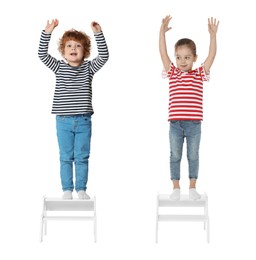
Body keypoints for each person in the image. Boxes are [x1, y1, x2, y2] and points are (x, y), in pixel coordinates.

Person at [38, 19, 109, 199]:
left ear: (84, 51)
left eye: (78, 46)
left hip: (84, 120)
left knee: (82, 157)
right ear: (63, 51)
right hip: (63, 120)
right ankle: (67, 189)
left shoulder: (89, 68)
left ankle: (81, 189)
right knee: (65, 157)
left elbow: (104, 57)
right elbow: (42, 55)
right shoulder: (59, 67)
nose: (73, 48)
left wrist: (98, 33)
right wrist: (47, 32)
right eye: (69, 45)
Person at [159, 15, 219, 200]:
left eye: (187, 57)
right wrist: (161, 33)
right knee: (175, 155)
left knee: (193, 155)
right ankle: (176, 187)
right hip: (175, 123)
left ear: (194, 58)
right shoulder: (173, 72)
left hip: (194, 124)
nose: (182, 61)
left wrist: (213, 36)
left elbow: (211, 56)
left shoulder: (199, 74)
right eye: (178, 57)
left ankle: (192, 187)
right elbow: (163, 54)